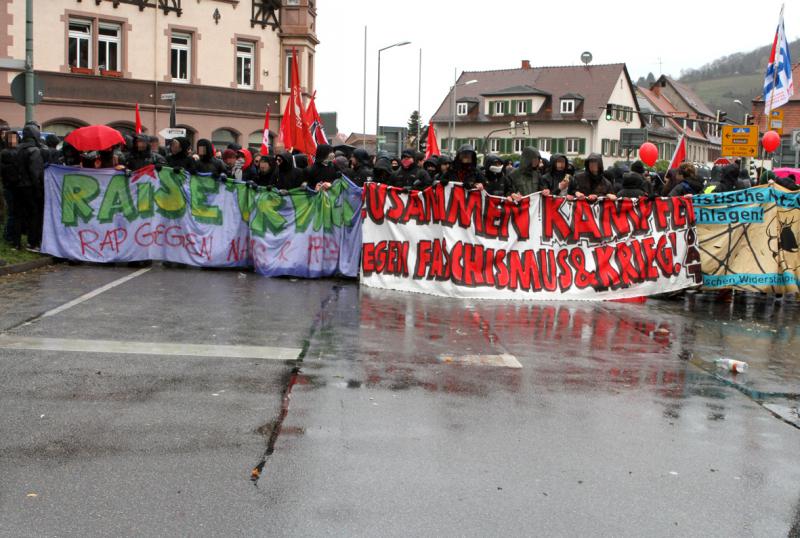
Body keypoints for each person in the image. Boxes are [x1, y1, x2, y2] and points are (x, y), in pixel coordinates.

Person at [12, 124, 45, 251]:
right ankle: (33, 243)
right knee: (34, 214)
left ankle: (16, 243)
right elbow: (35, 172)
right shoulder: (34, 151)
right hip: (30, 187)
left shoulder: (16, 149)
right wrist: (39, 189)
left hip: (16, 186)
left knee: (17, 215)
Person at [1, 130, 20, 245]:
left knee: (13, 212)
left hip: (10, 185)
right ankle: (8, 235)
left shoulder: (6, 152)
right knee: (13, 212)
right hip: (12, 185)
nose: (14, 140)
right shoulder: (8, 153)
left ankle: (9, 234)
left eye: (16, 138)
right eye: (12, 138)